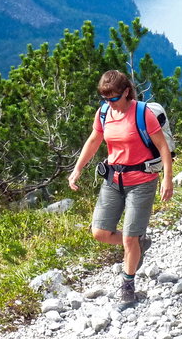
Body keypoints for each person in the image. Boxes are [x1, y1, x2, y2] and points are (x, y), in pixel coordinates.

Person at [69, 70, 173, 308]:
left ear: (126, 92)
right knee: (100, 233)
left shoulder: (142, 113)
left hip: (142, 181)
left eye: (114, 98)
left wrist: (168, 179)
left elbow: (163, 148)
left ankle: (128, 287)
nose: (109, 103)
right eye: (105, 98)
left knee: (128, 238)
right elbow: (94, 141)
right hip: (113, 180)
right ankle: (139, 243)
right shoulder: (104, 112)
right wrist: (77, 169)